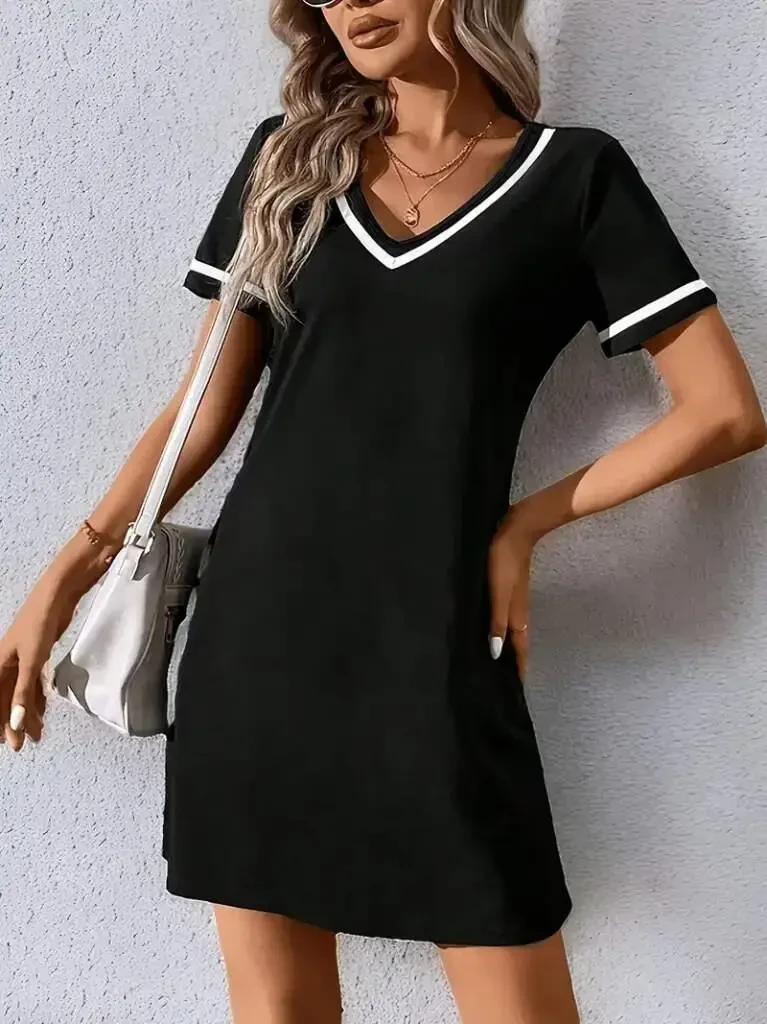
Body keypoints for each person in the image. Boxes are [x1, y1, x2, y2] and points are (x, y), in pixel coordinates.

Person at [2, 1, 765, 1021]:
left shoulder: (575, 176)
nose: (350, 2)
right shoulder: (287, 163)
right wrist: (63, 578)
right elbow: (200, 413)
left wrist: (525, 524)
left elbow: (723, 412)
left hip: (436, 647)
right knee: (277, 1009)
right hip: (257, 647)